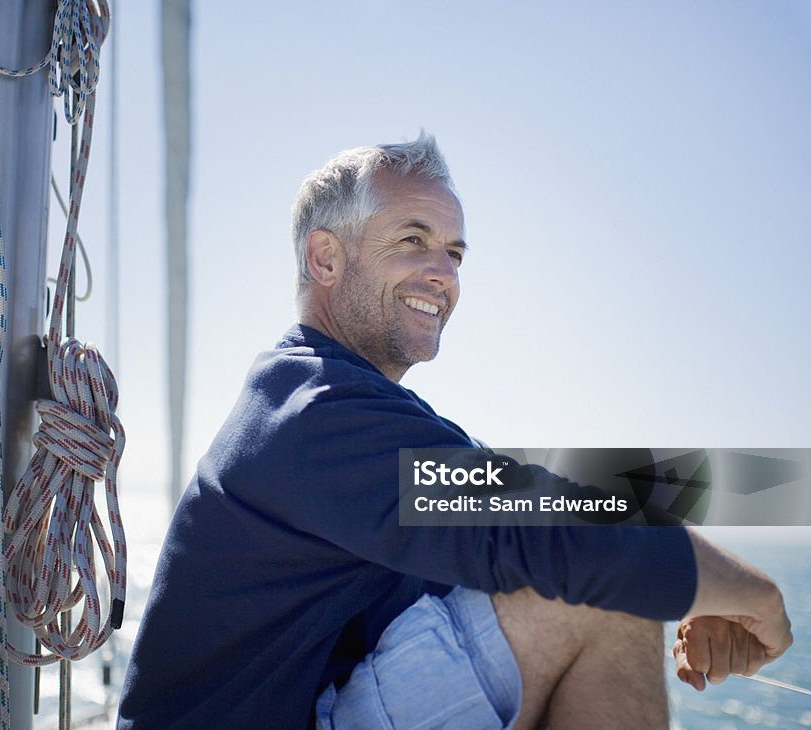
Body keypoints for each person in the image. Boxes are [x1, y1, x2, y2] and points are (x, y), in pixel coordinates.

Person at [118, 133, 792, 729]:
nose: (443, 275)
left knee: (599, 577)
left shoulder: (353, 408)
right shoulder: (315, 413)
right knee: (600, 597)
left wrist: (705, 557)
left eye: (455, 253)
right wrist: (746, 592)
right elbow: (534, 521)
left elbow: (522, 491)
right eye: (413, 240)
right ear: (324, 259)